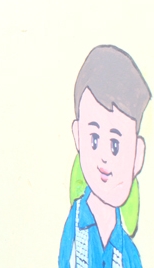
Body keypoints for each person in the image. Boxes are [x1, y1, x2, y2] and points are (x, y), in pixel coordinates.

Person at [58, 45, 150, 267]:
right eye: (95, 140)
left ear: (137, 156)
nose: (104, 158)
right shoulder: (75, 224)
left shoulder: (129, 254)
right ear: (78, 136)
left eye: (116, 145)